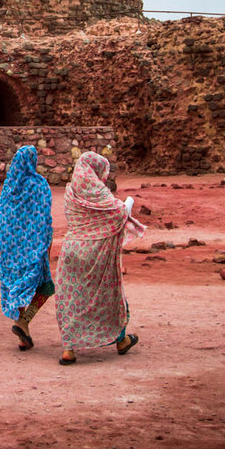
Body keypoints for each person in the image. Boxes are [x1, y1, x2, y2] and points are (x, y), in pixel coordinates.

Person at [54, 151, 145, 365]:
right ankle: (120, 341)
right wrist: (128, 203)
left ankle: (68, 349)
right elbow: (119, 213)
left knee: (71, 299)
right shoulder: (99, 193)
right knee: (108, 294)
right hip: (95, 251)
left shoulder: (70, 192)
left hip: (71, 249)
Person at [0, 145, 54, 351]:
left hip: (12, 250)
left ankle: (23, 334)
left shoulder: (9, 187)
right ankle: (24, 322)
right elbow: (44, 217)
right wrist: (46, 242)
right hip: (35, 247)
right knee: (46, 287)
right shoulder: (39, 185)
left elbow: (0, 219)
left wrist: (5, 245)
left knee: (17, 285)